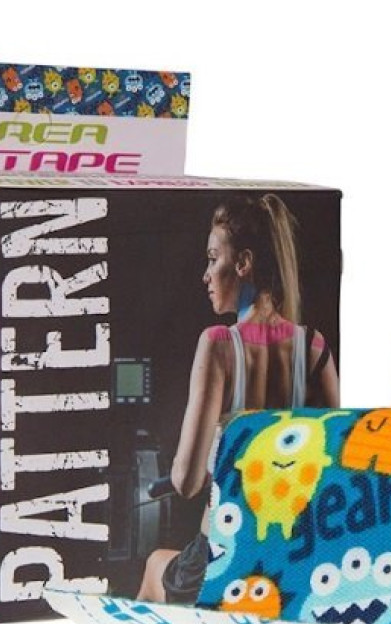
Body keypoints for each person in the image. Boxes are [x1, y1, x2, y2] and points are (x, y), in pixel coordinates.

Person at [136, 193, 339, 603]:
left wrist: (202, 456)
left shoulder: (217, 345)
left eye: (214, 259)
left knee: (155, 565)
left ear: (243, 263)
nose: (206, 275)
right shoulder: (315, 348)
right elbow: (335, 461)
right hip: (289, 557)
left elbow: (186, 482)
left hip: (223, 557)